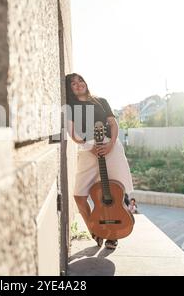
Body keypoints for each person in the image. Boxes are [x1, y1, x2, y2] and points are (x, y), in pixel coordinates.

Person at [65, 73, 134, 250]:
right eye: (73, 83)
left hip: (111, 149)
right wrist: (89, 146)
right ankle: (95, 230)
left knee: (115, 191)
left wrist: (110, 144)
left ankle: (113, 234)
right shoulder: (70, 106)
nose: (78, 84)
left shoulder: (101, 101)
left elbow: (113, 124)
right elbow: (72, 133)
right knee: (79, 196)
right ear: (70, 89)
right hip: (88, 150)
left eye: (80, 80)